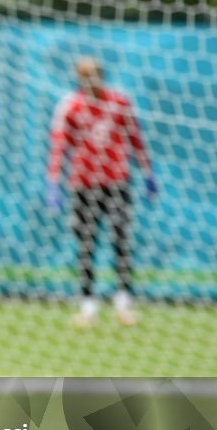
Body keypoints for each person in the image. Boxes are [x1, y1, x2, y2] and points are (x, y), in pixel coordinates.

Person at [46, 57, 157, 328]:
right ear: (79, 79)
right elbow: (59, 146)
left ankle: (123, 304)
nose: (90, 81)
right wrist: (53, 183)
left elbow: (136, 138)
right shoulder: (69, 106)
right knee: (86, 245)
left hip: (116, 181)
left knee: (120, 242)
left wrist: (147, 173)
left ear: (102, 76)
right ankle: (88, 307)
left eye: (94, 75)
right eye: (85, 76)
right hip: (83, 184)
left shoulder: (119, 102)